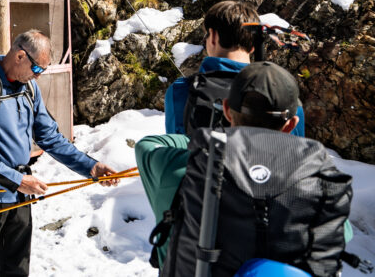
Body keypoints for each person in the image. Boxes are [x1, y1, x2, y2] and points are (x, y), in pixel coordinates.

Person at [137, 62, 352, 275]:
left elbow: (147, 146)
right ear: (291, 124)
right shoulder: (316, 178)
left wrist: (206, 141)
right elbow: (342, 232)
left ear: (227, 110)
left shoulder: (188, 166)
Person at [0, 31, 119, 277]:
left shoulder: (29, 87)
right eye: (37, 68)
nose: (38, 75)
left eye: (43, 70)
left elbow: (50, 137)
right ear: (20, 56)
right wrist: (17, 180)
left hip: (19, 196)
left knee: (17, 271)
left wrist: (91, 167)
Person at [164, 0, 305, 138]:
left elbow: (176, 144)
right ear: (253, 46)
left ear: (213, 37)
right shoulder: (287, 97)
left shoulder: (181, 90)